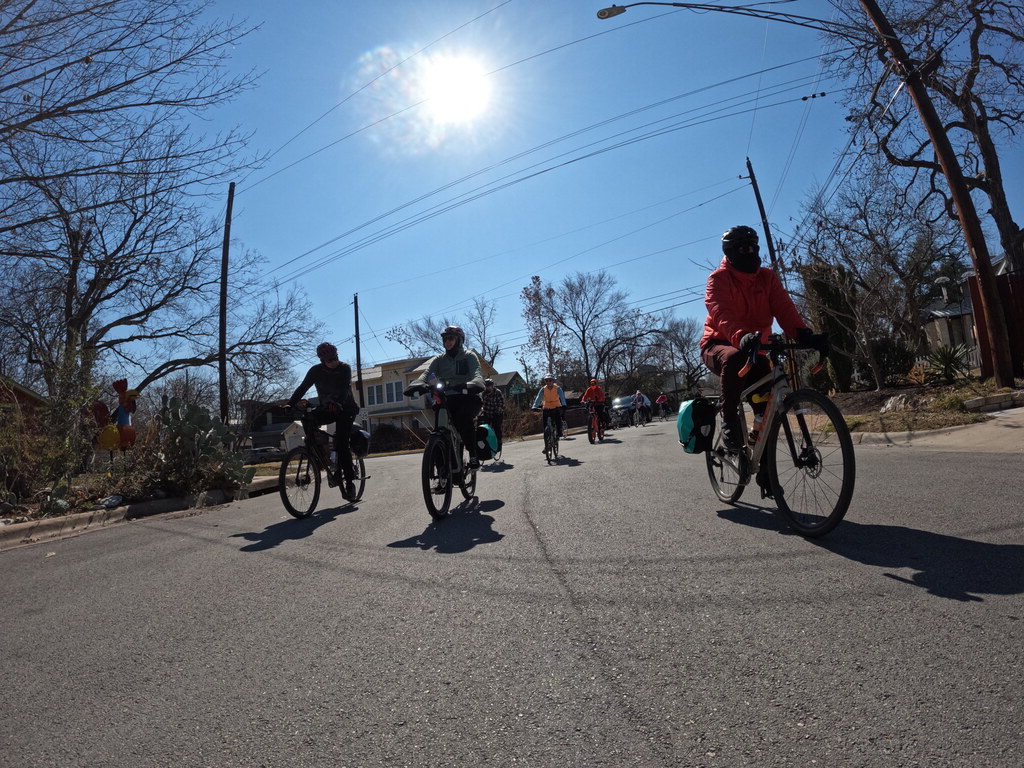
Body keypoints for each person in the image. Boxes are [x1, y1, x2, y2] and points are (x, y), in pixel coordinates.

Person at [701, 225, 829, 451]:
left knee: (767, 414)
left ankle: (763, 467)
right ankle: (729, 420)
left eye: (754, 247)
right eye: (744, 249)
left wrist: (804, 334)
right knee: (734, 358)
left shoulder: (767, 277)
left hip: (754, 347)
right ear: (730, 253)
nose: (751, 253)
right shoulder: (718, 279)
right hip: (718, 343)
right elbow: (721, 314)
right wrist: (742, 336)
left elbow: (785, 309)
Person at [404, 325, 485, 469]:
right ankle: (441, 468)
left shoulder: (469, 356)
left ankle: (473, 454)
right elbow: (426, 375)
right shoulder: (439, 360)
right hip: (446, 399)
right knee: (438, 428)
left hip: (467, 396)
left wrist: (473, 383)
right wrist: (418, 384)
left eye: (451, 338)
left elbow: (477, 374)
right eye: (445, 339)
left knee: (463, 419)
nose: (447, 341)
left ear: (459, 340)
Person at [288, 342, 361, 500]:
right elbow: (303, 387)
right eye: (329, 360)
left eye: (335, 358)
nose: (334, 362)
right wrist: (290, 404)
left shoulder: (345, 368)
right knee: (308, 419)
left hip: (346, 409)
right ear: (322, 361)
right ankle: (319, 456)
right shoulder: (316, 371)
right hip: (328, 408)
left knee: (341, 443)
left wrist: (338, 402)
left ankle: (349, 483)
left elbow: (345, 388)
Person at [532, 374, 566, 448]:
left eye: (550, 380)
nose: (548, 382)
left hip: (556, 407)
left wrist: (564, 405)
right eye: (546, 380)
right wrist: (534, 406)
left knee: (558, 421)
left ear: (553, 381)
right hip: (546, 407)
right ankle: (546, 446)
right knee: (545, 429)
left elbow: (562, 397)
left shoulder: (558, 388)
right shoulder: (543, 389)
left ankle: (559, 432)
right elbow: (538, 398)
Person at [480, 377, 505, 452]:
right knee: (484, 428)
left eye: (489, 386)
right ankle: (486, 443)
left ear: (492, 386)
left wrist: (497, 412)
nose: (488, 388)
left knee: (497, 427)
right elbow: (481, 404)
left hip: (496, 413)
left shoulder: (497, 392)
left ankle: (499, 443)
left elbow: (501, 403)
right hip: (487, 413)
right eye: (487, 386)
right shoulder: (483, 393)